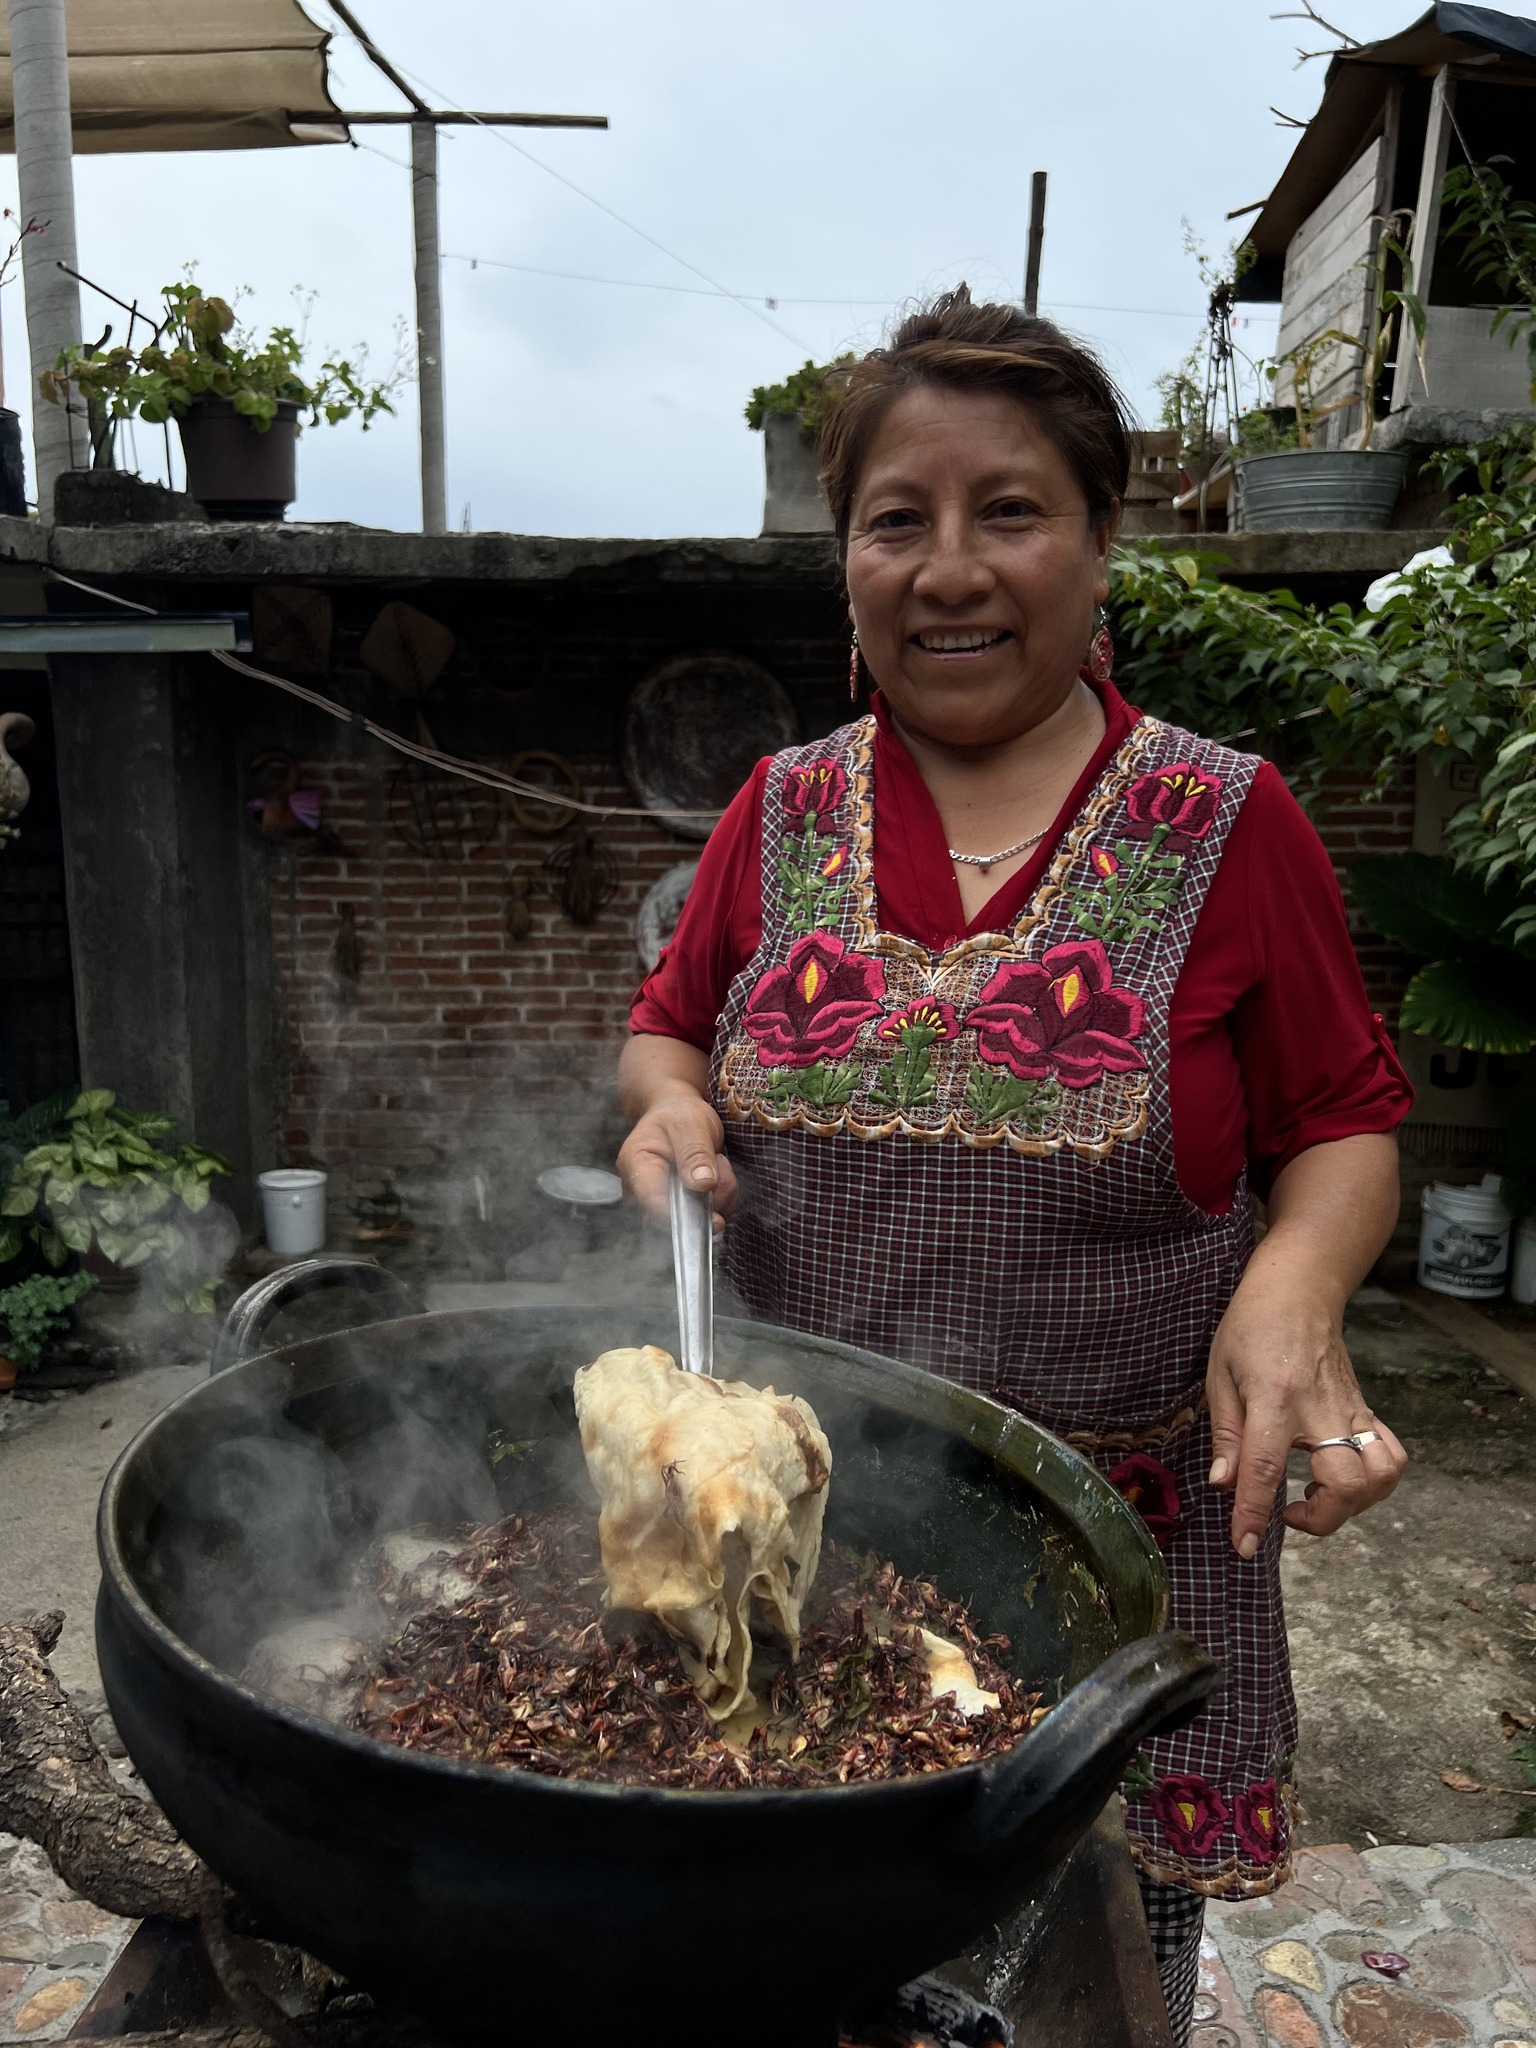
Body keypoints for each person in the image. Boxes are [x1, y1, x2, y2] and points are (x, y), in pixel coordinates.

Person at [618, 287, 1411, 2044]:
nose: (949, 567)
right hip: (795, 1523)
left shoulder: (1224, 823)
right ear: (846, 565)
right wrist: (667, 1108)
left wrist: (1292, 1289)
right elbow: (670, 1029)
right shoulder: (782, 808)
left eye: (1012, 511)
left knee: (1073, 1979)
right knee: (783, 1961)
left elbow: (1347, 1122)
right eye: (898, 520)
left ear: (1103, 539)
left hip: (1114, 1561)